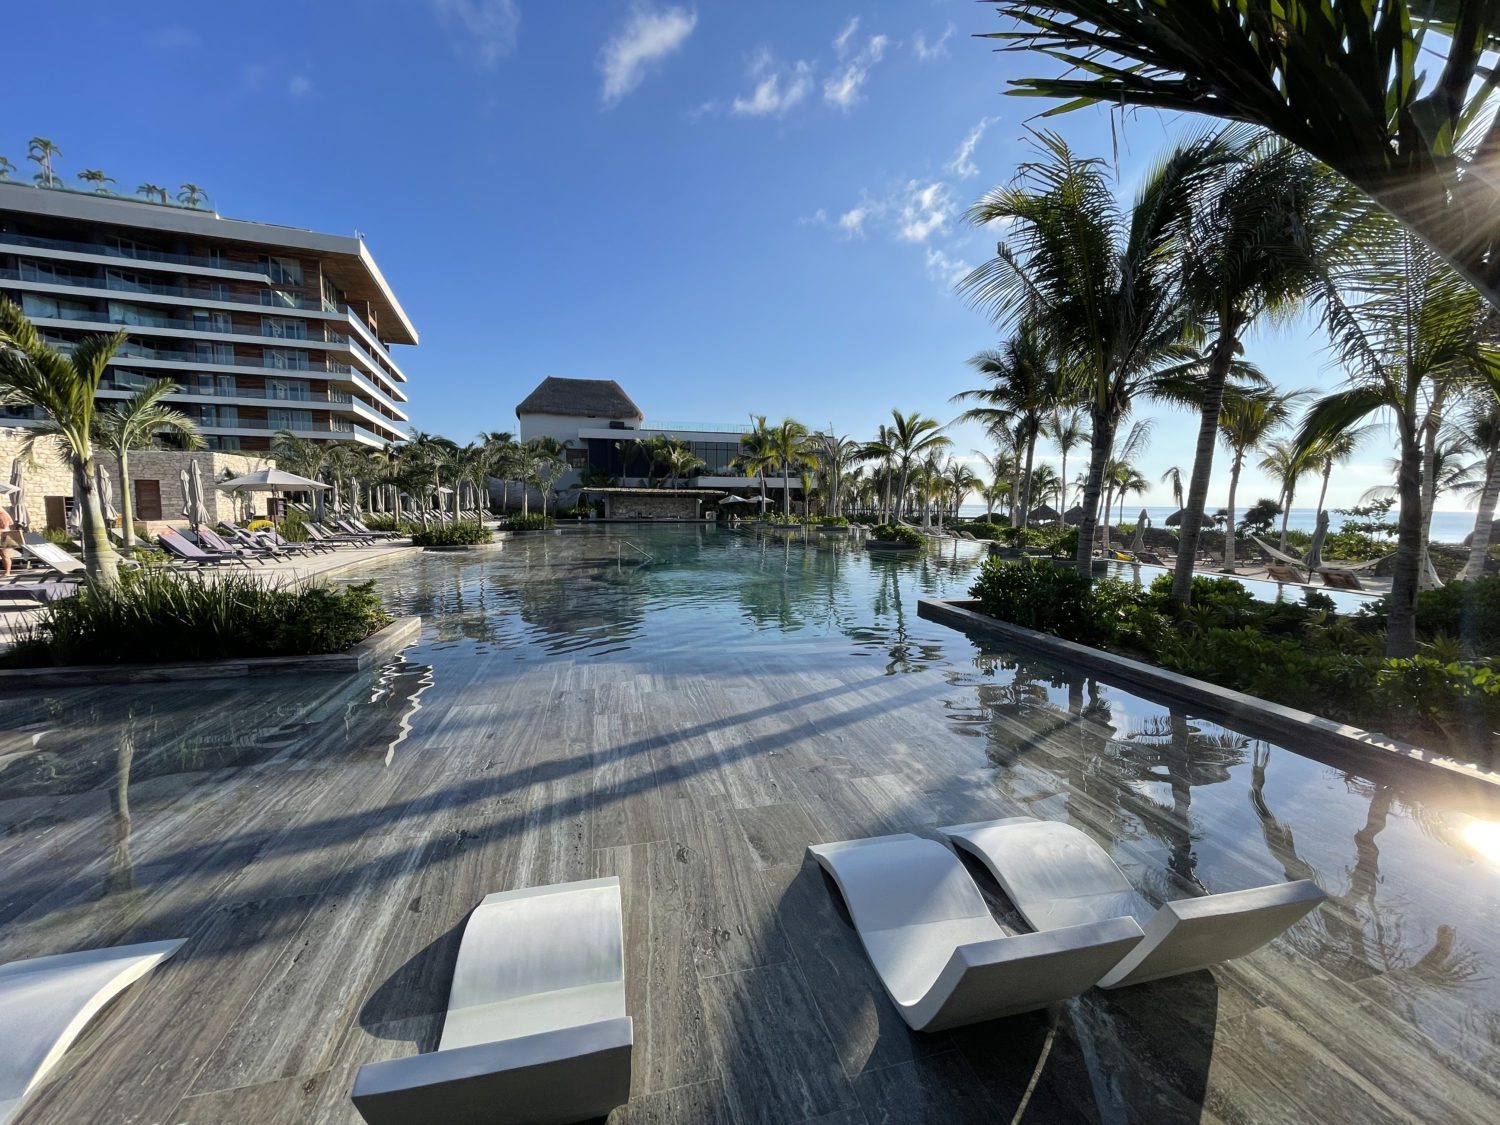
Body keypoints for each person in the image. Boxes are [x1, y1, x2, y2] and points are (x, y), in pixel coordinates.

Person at [0, 504, 14, 578]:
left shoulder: (2, 515)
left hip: (3, 536)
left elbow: (3, 526)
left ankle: (8, 572)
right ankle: (7, 571)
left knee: (5, 555)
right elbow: (11, 522)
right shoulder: (5, 513)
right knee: (4, 555)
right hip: (5, 534)